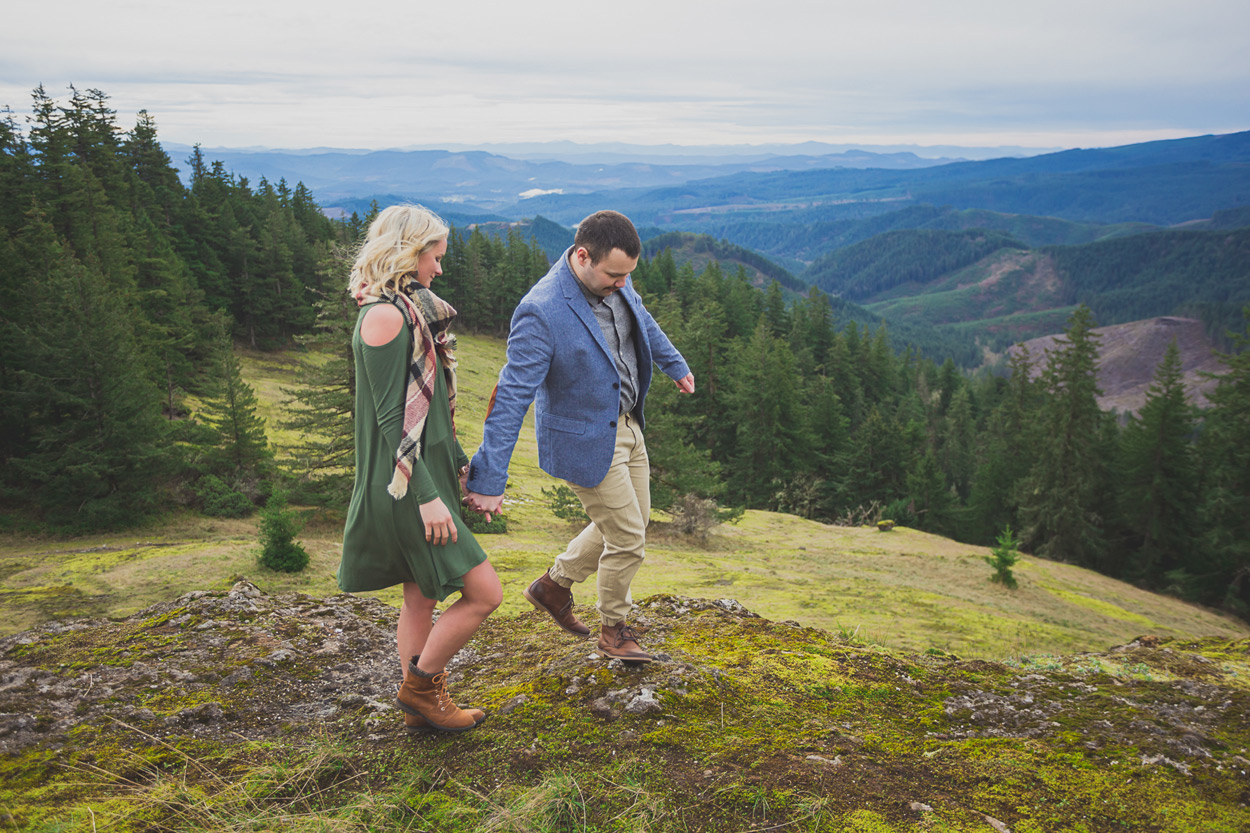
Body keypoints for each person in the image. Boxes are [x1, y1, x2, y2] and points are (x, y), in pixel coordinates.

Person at [465, 210, 694, 662]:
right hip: (584, 441)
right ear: (583, 256)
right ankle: (615, 630)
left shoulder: (617, 280)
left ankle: (554, 585)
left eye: (628, 276)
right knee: (627, 537)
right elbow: (511, 397)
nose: (623, 285)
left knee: (636, 520)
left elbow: (642, 321)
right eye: (614, 275)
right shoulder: (542, 310)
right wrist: (488, 480)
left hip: (629, 425)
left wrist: (674, 364)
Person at [339, 204, 502, 733]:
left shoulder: (406, 309)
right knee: (484, 594)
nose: (440, 267)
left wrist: (457, 465)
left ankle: (420, 709)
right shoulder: (386, 317)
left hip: (421, 475)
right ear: (410, 253)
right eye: (436, 255)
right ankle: (421, 690)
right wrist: (428, 495)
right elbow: (392, 418)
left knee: (421, 594)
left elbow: (425, 410)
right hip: (407, 485)